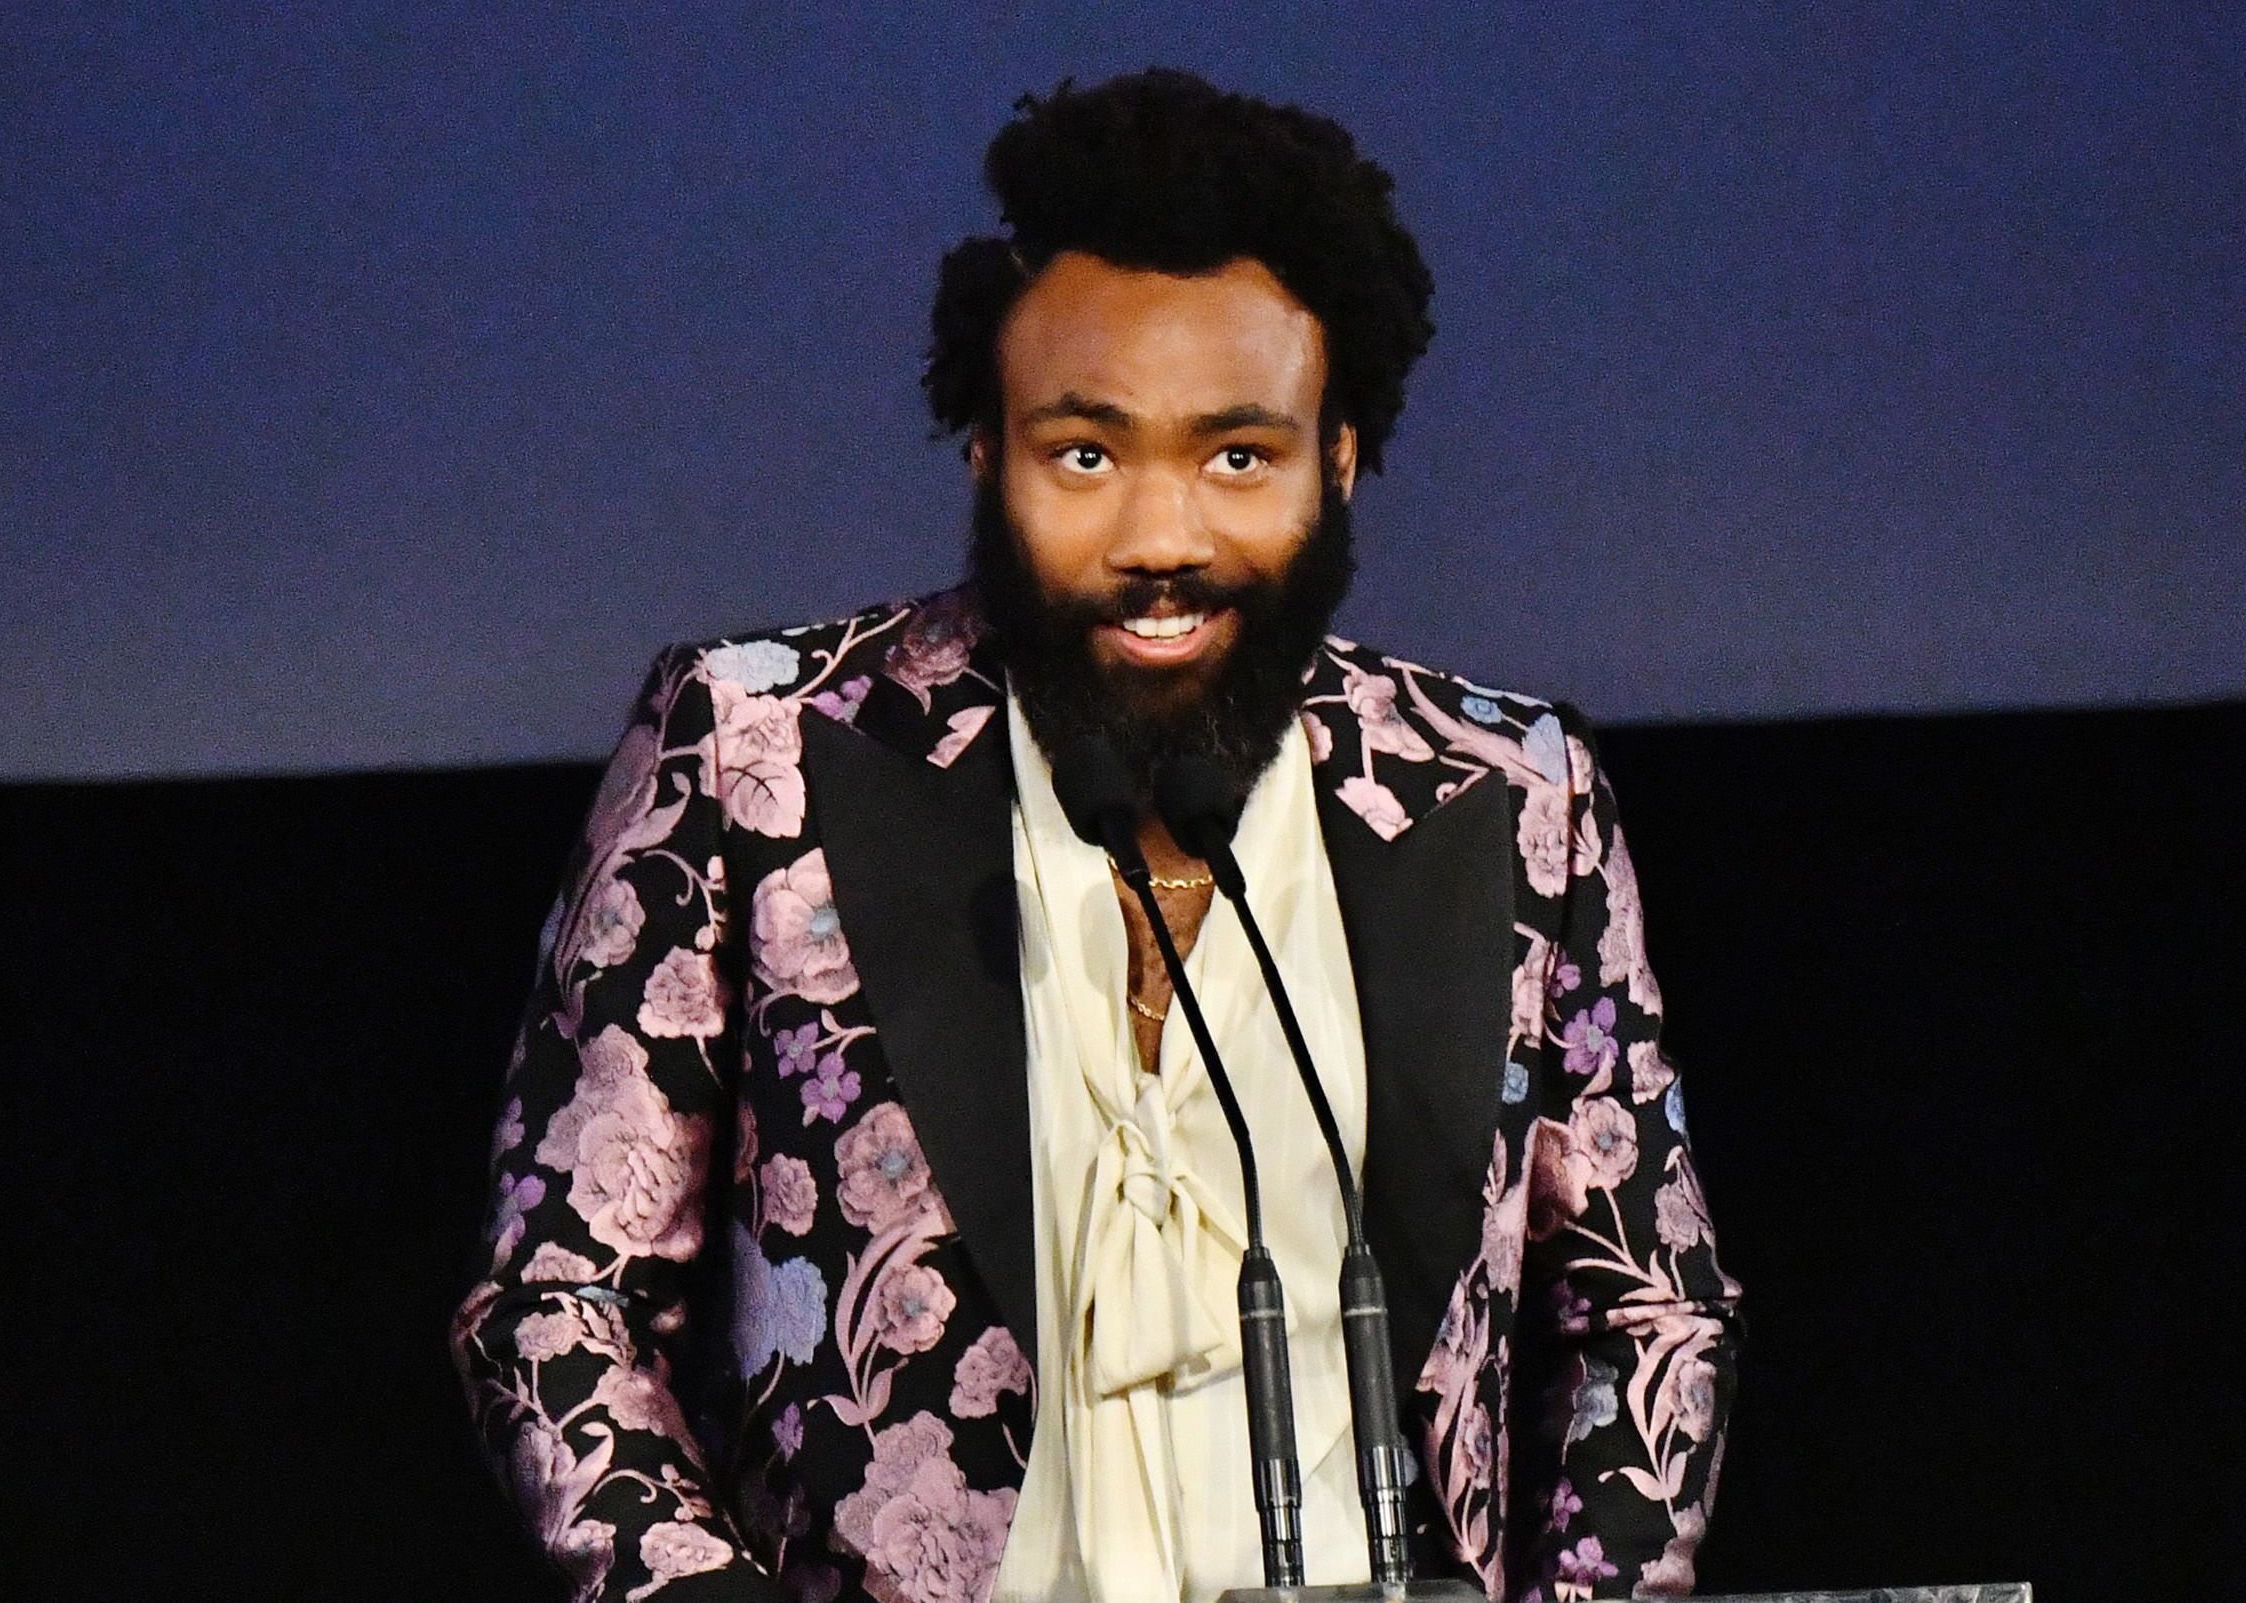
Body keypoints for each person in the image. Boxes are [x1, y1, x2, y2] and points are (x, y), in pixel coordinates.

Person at [453, 68, 1740, 1603]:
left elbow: (1647, 1311)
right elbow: (560, 1303)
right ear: (983, 455)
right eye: (1085, 453)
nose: (1159, 538)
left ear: (1339, 460)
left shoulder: (1512, 793)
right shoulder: (753, 752)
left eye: (1237, 456)